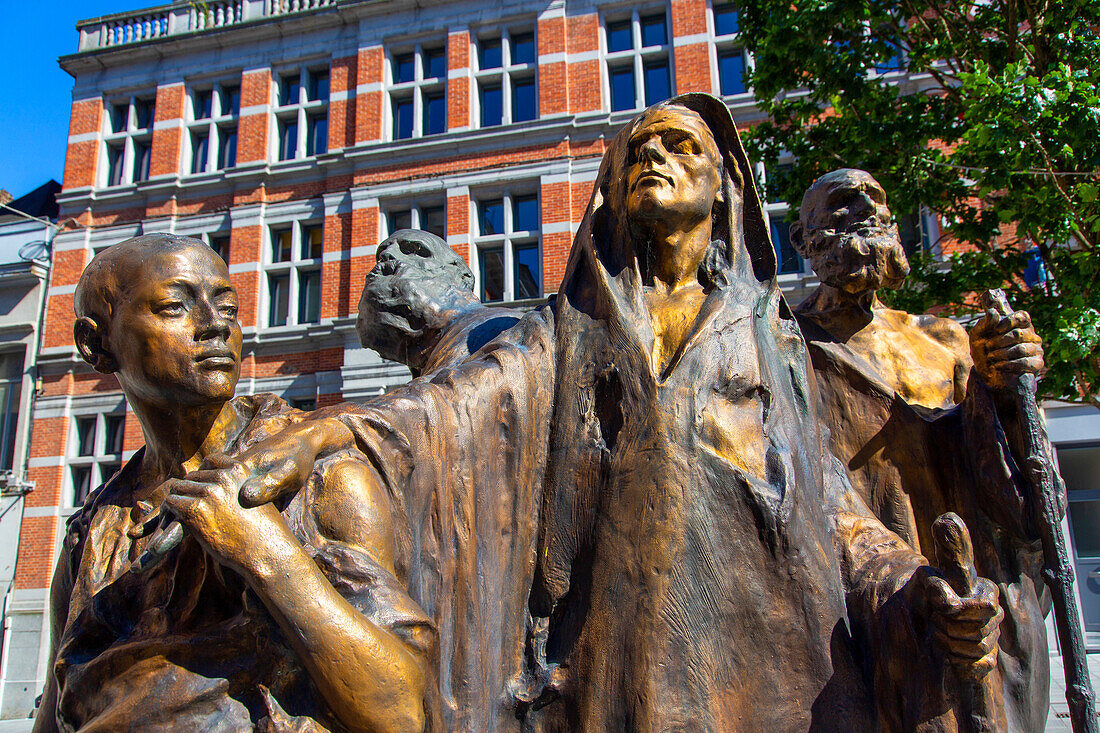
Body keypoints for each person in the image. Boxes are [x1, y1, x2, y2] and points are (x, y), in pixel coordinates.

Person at [208, 96, 1006, 732]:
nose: (653, 154)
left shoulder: (773, 338)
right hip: (608, 673)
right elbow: (453, 407)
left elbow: (830, 505)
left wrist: (911, 590)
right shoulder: (567, 329)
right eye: (638, 148)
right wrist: (333, 429)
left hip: (771, 676)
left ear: (726, 185)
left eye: (680, 145)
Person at [33, 235, 435, 733]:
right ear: (96, 345)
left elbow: (400, 712)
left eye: (229, 307)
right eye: (175, 307)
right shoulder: (93, 531)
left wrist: (266, 554)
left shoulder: (315, 478)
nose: (216, 325)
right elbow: (56, 710)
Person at [790, 168, 1056, 732]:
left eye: (876, 201)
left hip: (975, 606)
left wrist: (1005, 393)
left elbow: (1014, 498)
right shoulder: (786, 342)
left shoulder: (947, 341)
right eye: (841, 206)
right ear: (803, 240)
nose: (864, 207)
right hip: (859, 618)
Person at [357, 228, 523, 377]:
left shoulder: (505, 328)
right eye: (381, 256)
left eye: (412, 251)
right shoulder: (433, 356)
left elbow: (461, 396)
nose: (388, 256)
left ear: (461, 276)